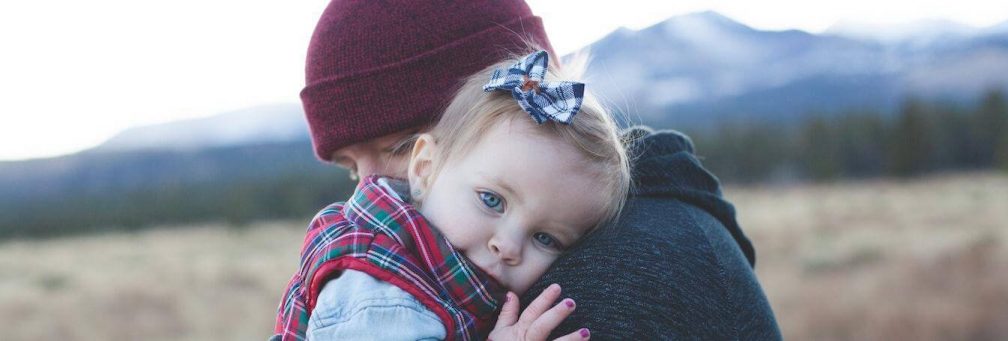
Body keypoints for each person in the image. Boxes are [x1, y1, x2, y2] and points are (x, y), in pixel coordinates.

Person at [290, 0, 781, 339]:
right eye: (352, 170)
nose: (369, 192)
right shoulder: (397, 276)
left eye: (396, 146)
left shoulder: (598, 288)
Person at [274, 50, 629, 340]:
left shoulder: (440, 275)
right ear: (425, 167)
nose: (507, 247)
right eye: (492, 200)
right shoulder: (382, 295)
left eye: (545, 237)